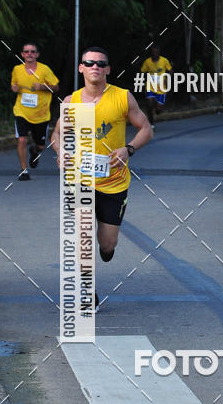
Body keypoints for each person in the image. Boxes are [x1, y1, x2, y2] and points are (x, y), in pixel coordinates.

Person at [52, 46, 152, 306]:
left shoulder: (122, 97)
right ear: (81, 68)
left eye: (100, 63)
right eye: (89, 62)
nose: (95, 66)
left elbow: (146, 129)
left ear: (107, 69)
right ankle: (87, 290)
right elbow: (57, 135)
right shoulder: (70, 102)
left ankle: (106, 251)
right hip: (80, 181)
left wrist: (129, 149)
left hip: (114, 183)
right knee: (82, 235)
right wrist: (61, 151)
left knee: (106, 244)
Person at [11, 42, 59, 180]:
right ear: (22, 54)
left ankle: (35, 151)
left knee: (41, 146)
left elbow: (56, 88)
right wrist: (14, 88)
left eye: (32, 51)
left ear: (37, 54)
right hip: (21, 112)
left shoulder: (44, 70)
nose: (29, 54)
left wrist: (42, 86)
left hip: (41, 115)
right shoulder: (17, 69)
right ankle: (24, 170)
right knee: (21, 140)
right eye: (26, 51)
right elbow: (14, 85)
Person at [140, 44, 172, 127]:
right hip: (150, 86)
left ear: (158, 53)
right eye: (153, 52)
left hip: (161, 87)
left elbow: (170, 70)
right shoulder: (147, 62)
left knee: (158, 110)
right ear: (151, 53)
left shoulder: (164, 61)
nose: (154, 54)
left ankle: (157, 108)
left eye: (156, 52)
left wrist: (167, 78)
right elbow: (142, 72)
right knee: (149, 104)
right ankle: (151, 123)